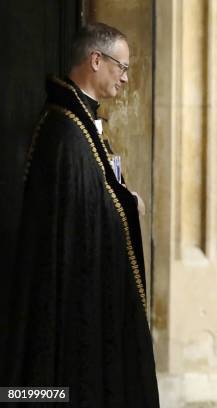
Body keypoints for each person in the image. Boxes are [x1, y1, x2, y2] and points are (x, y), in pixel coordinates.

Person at [5, 22, 159, 407]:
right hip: (67, 285)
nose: (125, 78)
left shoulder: (79, 124)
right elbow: (77, 209)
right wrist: (128, 204)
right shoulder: (65, 129)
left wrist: (118, 197)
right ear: (96, 60)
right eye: (121, 67)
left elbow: (92, 195)